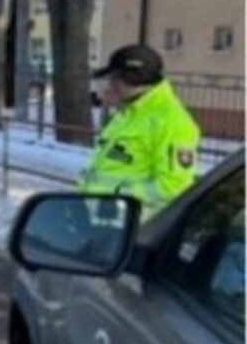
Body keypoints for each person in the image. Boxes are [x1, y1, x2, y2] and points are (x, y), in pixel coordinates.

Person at [80, 44, 201, 222]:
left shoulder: (171, 121)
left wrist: (119, 199)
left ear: (133, 79)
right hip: (102, 222)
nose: (110, 85)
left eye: (114, 78)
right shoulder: (130, 112)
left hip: (131, 228)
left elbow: (175, 185)